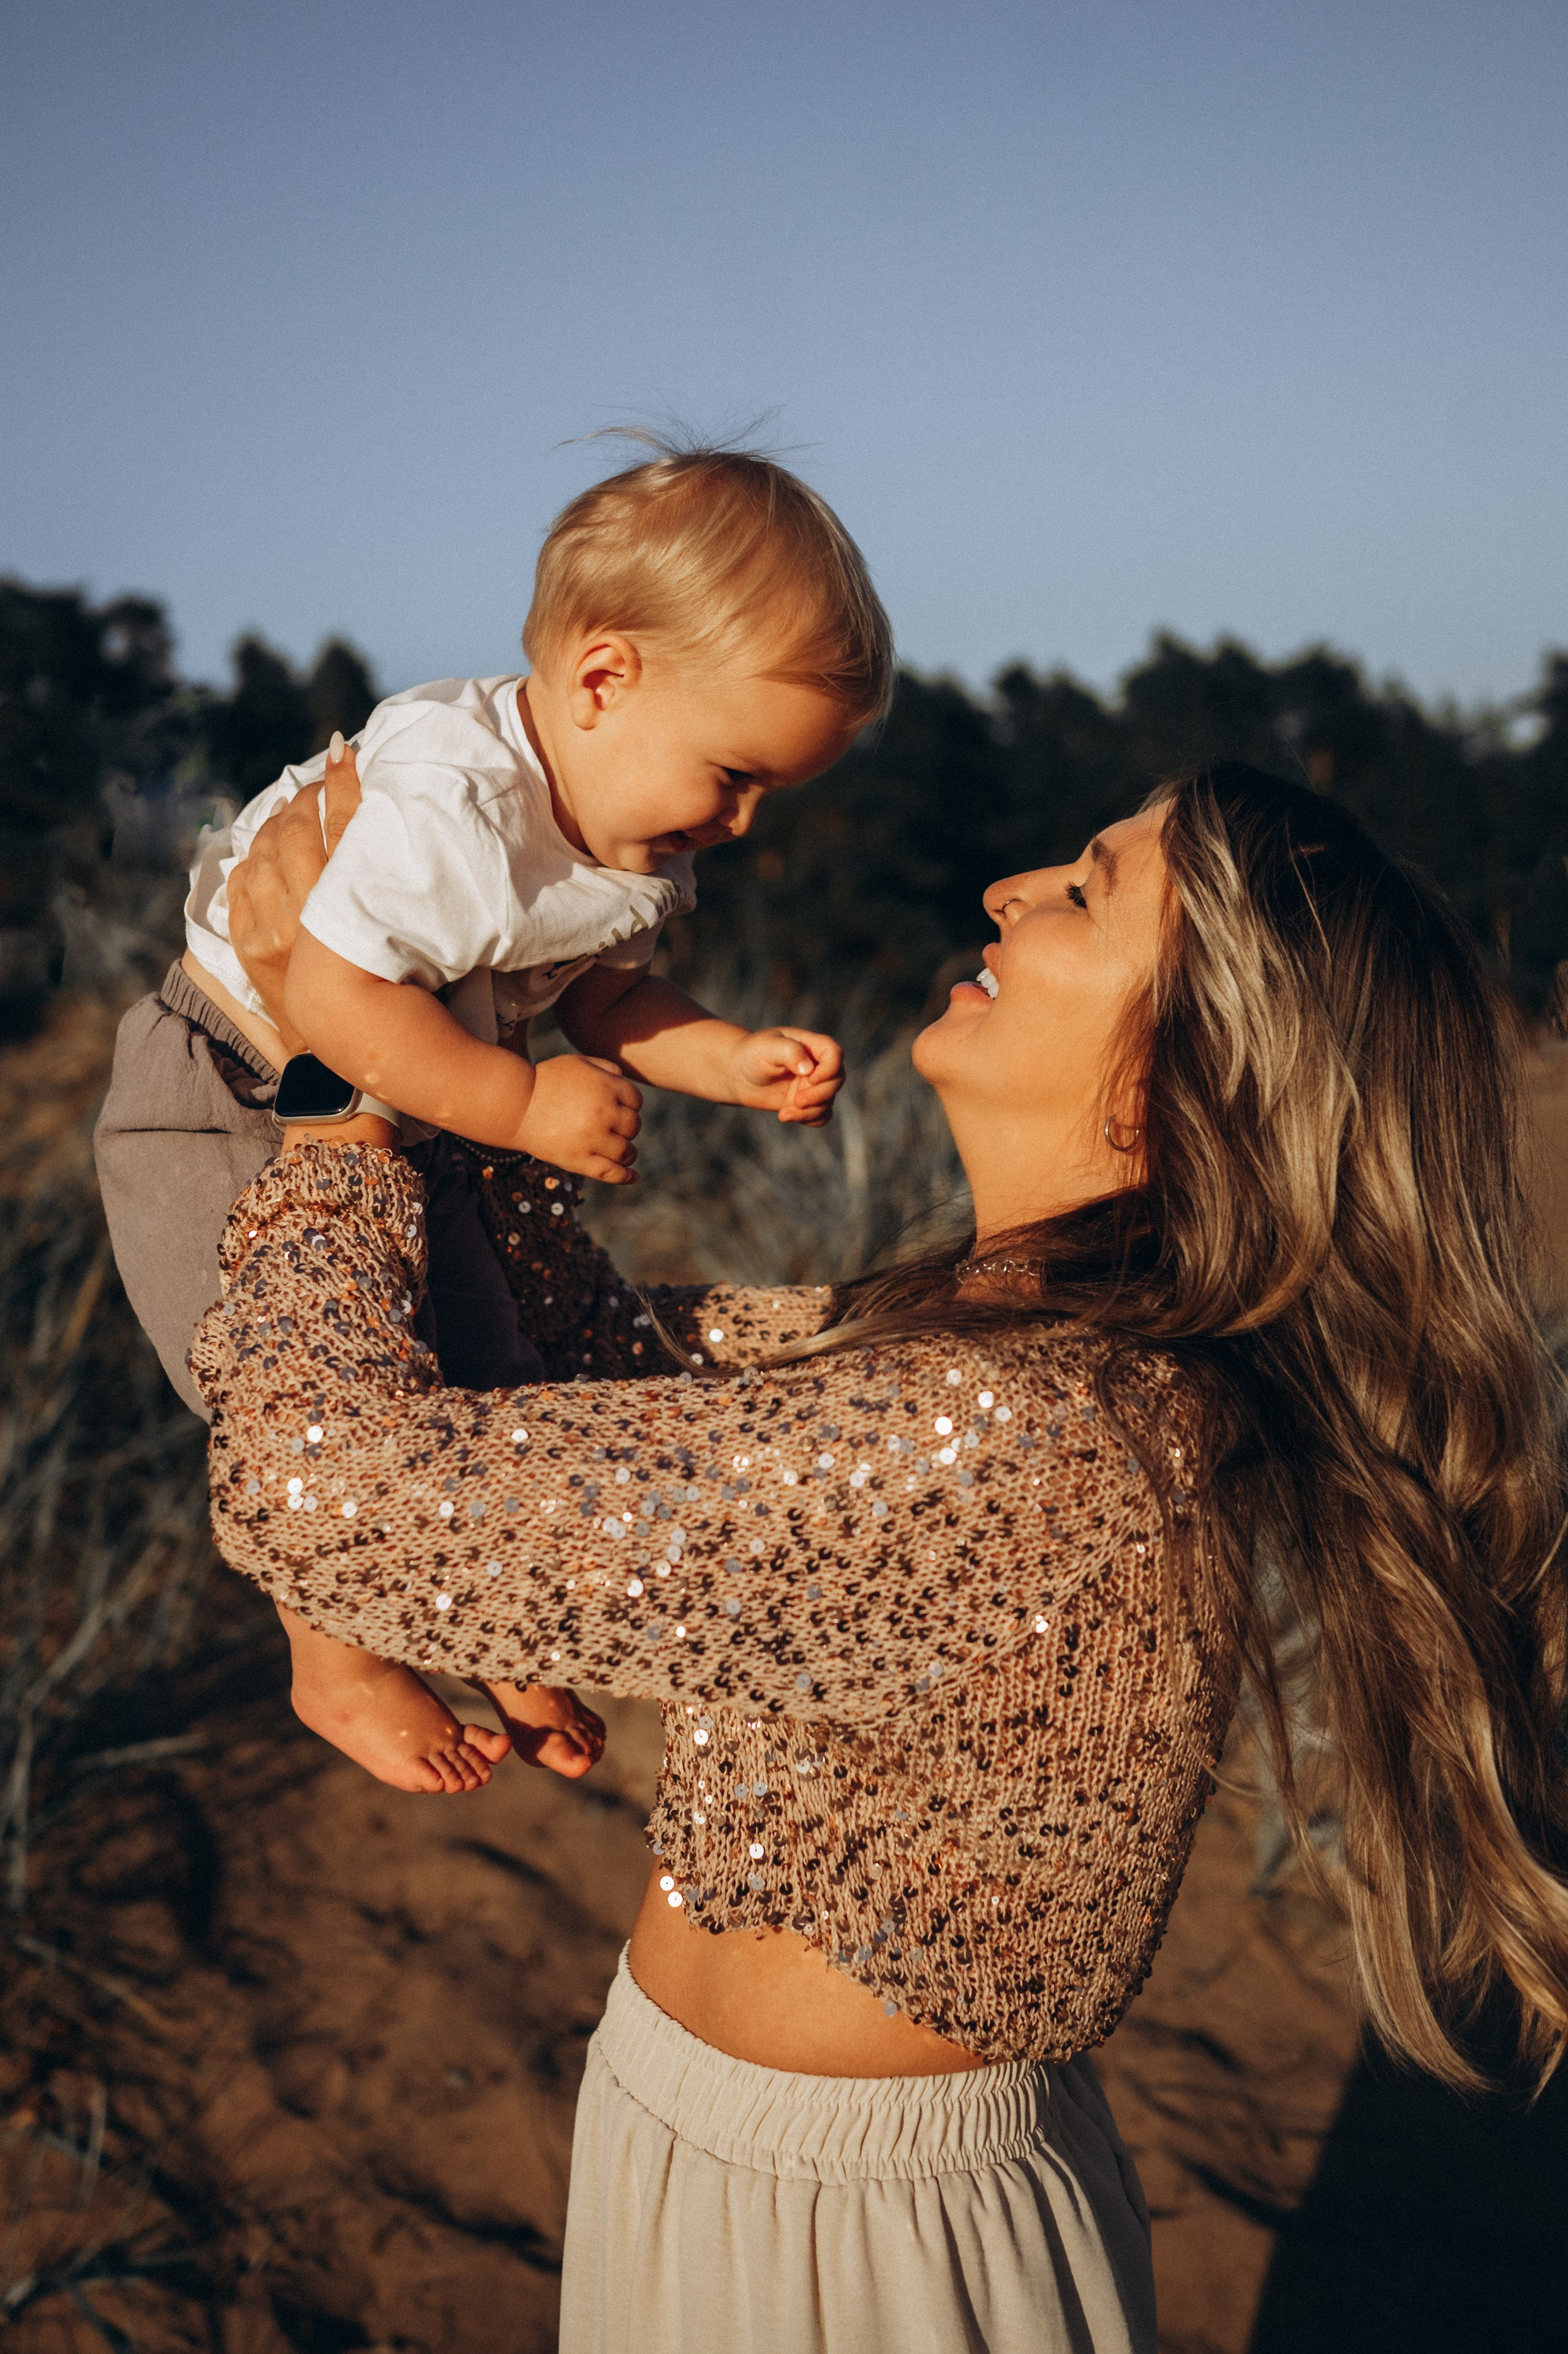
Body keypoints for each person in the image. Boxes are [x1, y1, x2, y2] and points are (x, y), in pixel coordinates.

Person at [194, 753, 1568, 2353]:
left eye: (1086, 889)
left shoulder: (1044, 1424)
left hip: (849, 2249)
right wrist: (453, 1055)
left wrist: (334, 1106)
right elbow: (627, 1399)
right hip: (710, 2141)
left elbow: (325, 1491)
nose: (1008, 890)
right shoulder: (1017, 1350)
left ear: (1181, 1078)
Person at [95, 442, 892, 1794]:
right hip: (227, 1077)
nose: (742, 824)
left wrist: (725, 1056)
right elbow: (330, 998)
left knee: (483, 1366)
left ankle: (484, 1610)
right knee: (276, 1377)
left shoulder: (635, 833)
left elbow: (608, 1000)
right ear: (601, 681)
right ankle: (334, 1650)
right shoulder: (454, 806)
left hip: (421, 1103)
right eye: (733, 777)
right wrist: (519, 1102)